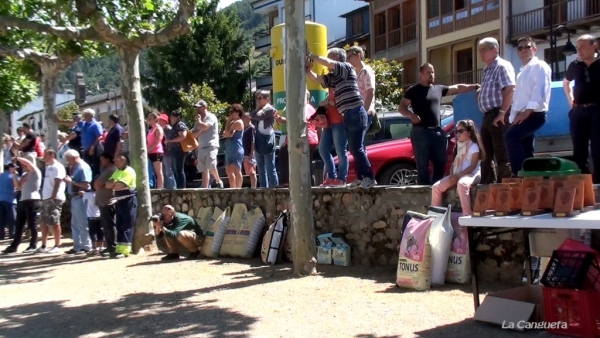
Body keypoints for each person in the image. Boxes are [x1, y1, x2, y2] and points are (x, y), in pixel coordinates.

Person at [306, 47, 376, 189]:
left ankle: (369, 177)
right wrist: (308, 70)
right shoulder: (334, 77)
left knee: (357, 149)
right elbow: (318, 79)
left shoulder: (346, 68)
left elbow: (327, 62)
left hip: (356, 112)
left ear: (337, 59)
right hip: (348, 115)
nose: (328, 62)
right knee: (354, 149)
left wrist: (311, 54)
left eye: (330, 57)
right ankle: (361, 177)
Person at [399, 63, 480, 185]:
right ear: (421, 74)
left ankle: (437, 186)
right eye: (428, 72)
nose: (431, 75)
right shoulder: (413, 91)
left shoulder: (438, 89)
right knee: (422, 162)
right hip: (420, 131)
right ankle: (424, 189)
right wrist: (411, 115)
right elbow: (401, 107)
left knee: (440, 161)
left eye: (433, 72)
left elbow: (457, 87)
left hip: (437, 131)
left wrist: (475, 86)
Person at [505, 37, 552, 177]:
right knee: (526, 148)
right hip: (522, 114)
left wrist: (527, 112)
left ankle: (518, 173)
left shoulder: (540, 66)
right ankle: (531, 176)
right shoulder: (521, 72)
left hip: (534, 114)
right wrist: (513, 116)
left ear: (535, 49)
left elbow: (540, 90)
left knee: (511, 137)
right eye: (520, 48)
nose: (524, 50)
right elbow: (518, 97)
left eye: (527, 47)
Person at [477, 37, 516, 184]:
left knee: (502, 153)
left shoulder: (502, 66)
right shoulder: (487, 70)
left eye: (484, 50)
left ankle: (504, 188)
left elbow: (510, 88)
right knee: (485, 154)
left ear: (495, 49)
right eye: (480, 50)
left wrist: (502, 113)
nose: (481, 53)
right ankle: (488, 186)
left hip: (498, 113)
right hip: (488, 115)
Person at [563, 35, 600, 183]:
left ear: (594, 46)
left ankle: (598, 185)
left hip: (597, 110)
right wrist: (571, 101)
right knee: (579, 149)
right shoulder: (575, 65)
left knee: (598, 149)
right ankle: (581, 186)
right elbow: (566, 83)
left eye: (582, 47)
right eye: (577, 48)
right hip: (578, 111)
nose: (579, 51)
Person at [431, 120, 484, 216]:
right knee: (435, 187)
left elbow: (472, 167)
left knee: (462, 184)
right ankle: (436, 216)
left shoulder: (474, 146)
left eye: (461, 131)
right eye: (456, 131)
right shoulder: (458, 145)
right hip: (456, 174)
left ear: (469, 132)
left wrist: (457, 177)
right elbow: (453, 164)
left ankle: (466, 216)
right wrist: (452, 176)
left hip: (472, 174)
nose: (457, 134)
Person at [276, 90, 319, 187]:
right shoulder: (312, 108)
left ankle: (286, 182)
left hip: (304, 139)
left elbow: (298, 123)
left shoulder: (304, 108)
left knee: (283, 153)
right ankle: (309, 184)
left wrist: (287, 140)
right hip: (312, 140)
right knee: (306, 163)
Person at [2, 157, 42, 254]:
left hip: (32, 200)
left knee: (32, 224)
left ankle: (33, 245)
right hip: (23, 200)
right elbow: (18, 187)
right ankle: (14, 246)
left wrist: (16, 158)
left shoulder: (35, 171)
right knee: (19, 225)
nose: (22, 166)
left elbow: (29, 162)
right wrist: (15, 175)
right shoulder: (25, 174)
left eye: (23, 165)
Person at [105, 154, 137, 258]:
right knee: (119, 224)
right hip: (119, 201)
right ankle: (119, 248)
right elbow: (107, 185)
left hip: (128, 200)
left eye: (119, 159)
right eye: (116, 159)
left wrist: (114, 184)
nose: (116, 161)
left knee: (126, 224)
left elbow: (119, 186)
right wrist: (114, 183)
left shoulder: (129, 171)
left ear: (125, 161)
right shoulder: (117, 171)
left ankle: (125, 250)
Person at [63, 149, 93, 254]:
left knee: (82, 223)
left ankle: (86, 246)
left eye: (68, 160)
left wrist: (72, 182)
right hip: (74, 198)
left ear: (74, 158)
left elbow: (86, 184)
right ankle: (77, 246)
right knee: (74, 223)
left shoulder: (82, 167)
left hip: (81, 198)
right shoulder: (75, 167)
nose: (68, 162)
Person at [37, 150, 66, 253]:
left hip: (55, 198)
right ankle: (44, 245)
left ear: (52, 155)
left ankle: (57, 245)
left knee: (55, 221)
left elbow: (57, 182)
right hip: (45, 198)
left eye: (45, 155)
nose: (44, 158)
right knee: (43, 221)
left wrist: (53, 197)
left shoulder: (58, 167)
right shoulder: (48, 168)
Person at [191, 100, 224, 189]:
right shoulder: (198, 121)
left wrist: (200, 125)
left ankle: (218, 180)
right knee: (203, 169)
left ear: (205, 107)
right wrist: (201, 129)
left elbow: (205, 126)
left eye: (199, 107)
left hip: (211, 145)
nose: (197, 109)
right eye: (196, 108)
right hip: (201, 146)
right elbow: (193, 135)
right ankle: (206, 188)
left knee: (211, 165)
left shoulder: (211, 117)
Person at [319, 88, 348, 186]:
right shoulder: (330, 87)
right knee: (322, 149)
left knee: (340, 151)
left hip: (340, 122)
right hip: (328, 123)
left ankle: (341, 179)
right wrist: (325, 103)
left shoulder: (342, 84)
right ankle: (331, 176)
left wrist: (329, 102)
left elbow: (345, 104)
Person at [250, 91, 279, 188]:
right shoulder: (260, 109)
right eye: (257, 98)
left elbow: (258, 116)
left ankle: (274, 189)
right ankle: (263, 189)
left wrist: (258, 109)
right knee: (261, 169)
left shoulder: (270, 109)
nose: (258, 100)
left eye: (260, 98)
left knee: (270, 167)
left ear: (267, 99)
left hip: (268, 141)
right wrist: (258, 108)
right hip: (259, 140)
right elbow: (251, 115)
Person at [95, 153, 118, 257]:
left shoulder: (111, 170)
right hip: (103, 202)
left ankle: (112, 246)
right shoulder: (106, 170)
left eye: (102, 159)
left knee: (110, 225)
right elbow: (96, 185)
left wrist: (100, 185)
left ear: (108, 159)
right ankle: (109, 246)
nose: (101, 162)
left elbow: (98, 184)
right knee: (106, 226)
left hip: (108, 202)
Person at [347, 46, 376, 121]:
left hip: (365, 112)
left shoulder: (366, 71)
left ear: (358, 56)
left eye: (350, 57)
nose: (348, 60)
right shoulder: (355, 72)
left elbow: (370, 92)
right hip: (357, 112)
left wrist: (364, 112)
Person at [164, 110, 188, 189]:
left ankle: (181, 188)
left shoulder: (180, 124)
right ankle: (179, 187)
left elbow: (183, 136)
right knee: (176, 170)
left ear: (178, 117)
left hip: (179, 150)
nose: (171, 118)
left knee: (179, 170)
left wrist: (171, 141)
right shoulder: (174, 126)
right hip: (174, 150)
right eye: (171, 116)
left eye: (173, 116)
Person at [222, 104, 245, 188]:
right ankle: (232, 188)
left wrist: (228, 122)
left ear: (238, 112)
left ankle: (238, 189)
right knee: (229, 170)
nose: (231, 114)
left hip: (236, 148)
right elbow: (225, 133)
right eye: (230, 112)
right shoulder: (232, 122)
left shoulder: (238, 122)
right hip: (229, 148)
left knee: (236, 170)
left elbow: (228, 133)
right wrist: (228, 121)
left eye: (233, 112)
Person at [81, 190, 103, 256]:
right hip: (100, 215)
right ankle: (100, 248)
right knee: (100, 232)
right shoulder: (100, 193)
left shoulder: (88, 194)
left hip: (91, 216)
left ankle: (94, 248)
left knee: (92, 233)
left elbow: (81, 194)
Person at [147, 112, 165, 189]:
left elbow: (157, 140)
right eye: (148, 119)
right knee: (153, 171)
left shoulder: (158, 128)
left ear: (156, 119)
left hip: (157, 152)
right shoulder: (151, 130)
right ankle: (155, 186)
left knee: (158, 171)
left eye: (151, 119)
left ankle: (160, 188)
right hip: (151, 152)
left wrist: (149, 149)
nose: (149, 121)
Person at [0, 163, 16, 240]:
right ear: (10, 168)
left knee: (1, 219)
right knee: (12, 218)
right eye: (14, 168)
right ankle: (12, 234)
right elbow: (16, 186)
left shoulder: (1, 176)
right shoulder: (12, 176)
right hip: (10, 199)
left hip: (1, 198)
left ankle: (1, 235)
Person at [242, 112, 257, 188]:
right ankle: (252, 186)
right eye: (243, 117)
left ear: (249, 118)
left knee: (252, 172)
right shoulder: (245, 129)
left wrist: (252, 153)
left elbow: (253, 141)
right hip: (245, 153)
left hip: (250, 153)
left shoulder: (251, 128)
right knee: (249, 171)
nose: (244, 118)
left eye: (245, 117)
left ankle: (254, 187)